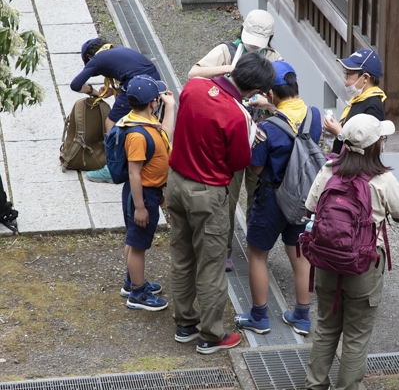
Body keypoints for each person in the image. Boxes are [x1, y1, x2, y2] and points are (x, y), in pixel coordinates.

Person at [168, 52, 275, 354]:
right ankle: (211, 335)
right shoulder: (236, 114)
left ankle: (185, 322)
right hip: (208, 193)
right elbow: (239, 161)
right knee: (211, 265)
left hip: (176, 181)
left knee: (182, 254)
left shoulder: (194, 87)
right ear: (254, 91)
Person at [304, 114, 399, 390]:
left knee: (326, 327)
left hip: (327, 259)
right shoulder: (383, 179)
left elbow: (309, 208)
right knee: (356, 334)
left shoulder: (328, 171)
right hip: (365, 263)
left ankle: (314, 384)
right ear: (377, 146)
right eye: (382, 139)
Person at [189, 9, 283, 272]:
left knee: (258, 194)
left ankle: (255, 248)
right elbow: (193, 73)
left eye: (259, 44)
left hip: (260, 138)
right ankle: (225, 249)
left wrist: (269, 104)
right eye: (251, 41)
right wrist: (232, 69)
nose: (254, 48)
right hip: (230, 133)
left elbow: (284, 98)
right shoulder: (227, 50)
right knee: (227, 195)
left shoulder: (275, 59)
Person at [233, 61, 322, 336]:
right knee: (299, 252)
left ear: (270, 93)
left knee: (257, 254)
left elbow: (256, 168)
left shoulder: (268, 127)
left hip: (272, 197)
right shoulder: (314, 115)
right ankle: (301, 316)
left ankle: (259, 316)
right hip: (303, 197)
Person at [118, 75, 175, 311]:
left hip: (147, 192)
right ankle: (138, 294)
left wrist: (171, 108)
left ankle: (132, 282)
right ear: (153, 101)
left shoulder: (146, 121)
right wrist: (141, 207)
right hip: (141, 195)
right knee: (138, 244)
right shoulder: (138, 134)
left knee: (134, 239)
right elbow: (134, 173)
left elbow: (166, 136)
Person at [71, 38, 163, 183]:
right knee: (143, 122)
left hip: (136, 83)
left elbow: (75, 85)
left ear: (89, 57)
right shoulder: (117, 50)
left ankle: (112, 169)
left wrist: (91, 91)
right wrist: (115, 90)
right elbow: (136, 71)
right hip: (151, 82)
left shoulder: (98, 58)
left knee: (111, 123)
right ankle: (147, 159)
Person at [322, 49, 386, 155]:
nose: (345, 80)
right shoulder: (359, 99)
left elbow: (368, 149)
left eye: (349, 74)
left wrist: (339, 132)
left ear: (365, 77)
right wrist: (333, 130)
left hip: (355, 170)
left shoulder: (373, 106)